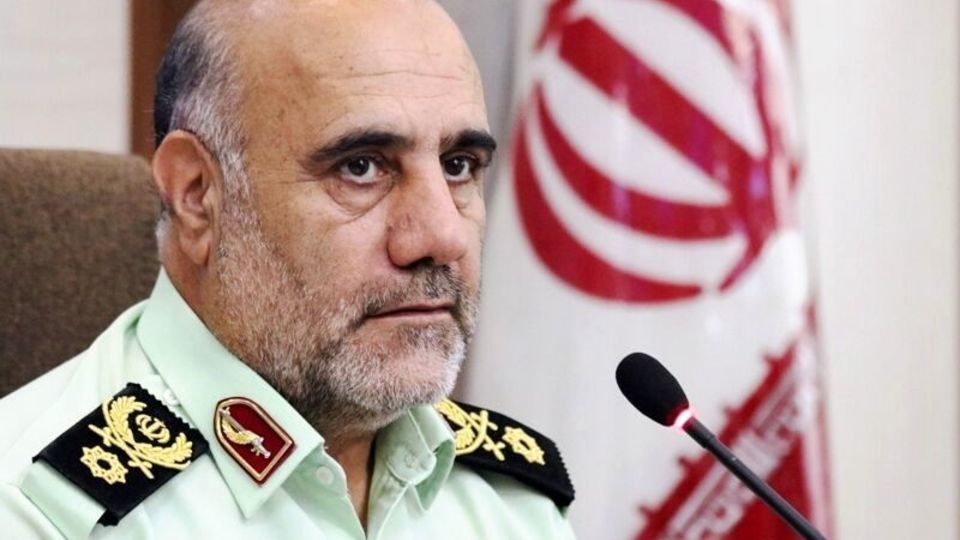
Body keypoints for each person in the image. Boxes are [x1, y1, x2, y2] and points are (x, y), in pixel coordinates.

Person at [0, 1, 575, 538]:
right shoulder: (38, 511)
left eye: (459, 165)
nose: (443, 237)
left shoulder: (512, 501)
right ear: (197, 195)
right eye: (361, 167)